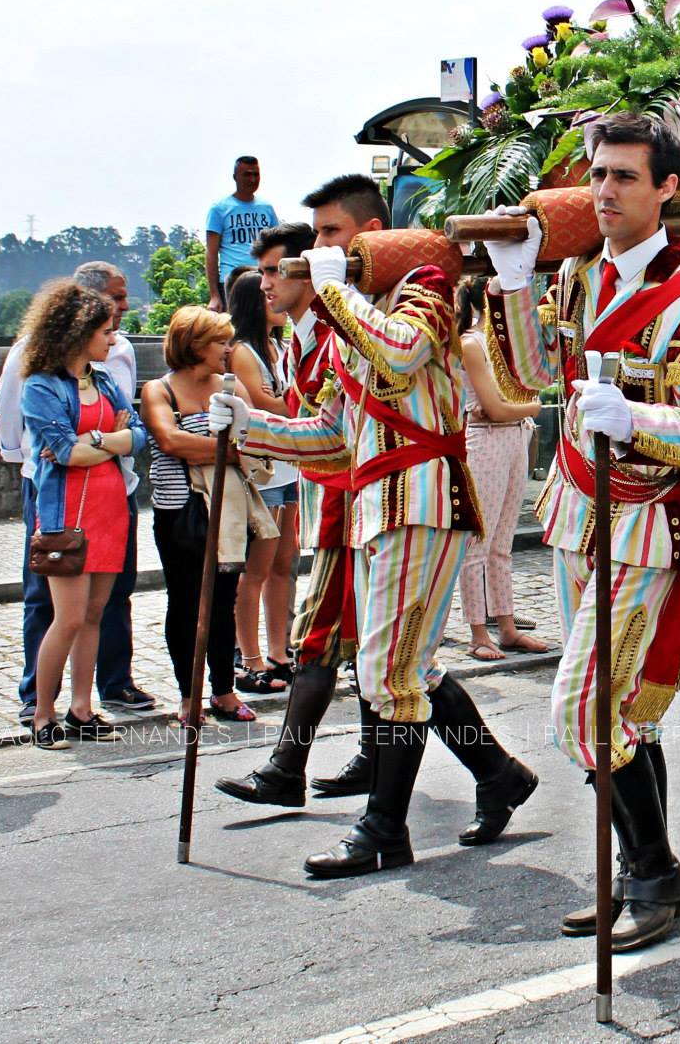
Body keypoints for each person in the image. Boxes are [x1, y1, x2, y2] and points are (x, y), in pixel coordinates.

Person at [211, 173, 538, 878]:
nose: (316, 249)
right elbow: (334, 438)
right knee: (408, 667)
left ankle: (384, 829)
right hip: (379, 504)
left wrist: (336, 291)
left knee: (387, 672)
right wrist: (253, 427)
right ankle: (498, 774)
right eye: (319, 235)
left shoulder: (423, 282)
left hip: (424, 497)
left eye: (330, 233)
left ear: (366, 232)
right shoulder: (348, 312)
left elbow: (399, 353)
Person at [484, 112, 680, 950]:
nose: (604, 191)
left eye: (626, 176)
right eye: (598, 175)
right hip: (574, 512)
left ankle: (656, 873)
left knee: (586, 714)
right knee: (623, 714)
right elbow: (530, 378)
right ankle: (641, 875)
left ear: (668, 188)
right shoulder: (576, 280)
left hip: (641, 524)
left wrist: (633, 413)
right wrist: (517, 286)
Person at [216, 220, 371, 806]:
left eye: (278, 269)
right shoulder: (301, 339)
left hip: (366, 500)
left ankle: (292, 769)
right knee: (347, 644)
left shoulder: (336, 336)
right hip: (339, 498)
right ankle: (360, 757)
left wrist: (252, 426)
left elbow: (330, 435)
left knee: (346, 644)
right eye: (263, 271)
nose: (265, 283)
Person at [0, 261, 154, 721]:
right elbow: (63, 452)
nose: (113, 337)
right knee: (64, 616)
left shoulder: (103, 379)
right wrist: (109, 440)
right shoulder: (42, 384)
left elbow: (138, 434)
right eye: (104, 330)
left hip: (109, 506)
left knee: (95, 613)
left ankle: (82, 708)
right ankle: (43, 709)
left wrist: (95, 442)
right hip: (67, 510)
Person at [139, 307, 256, 728]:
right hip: (179, 513)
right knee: (185, 602)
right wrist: (224, 447)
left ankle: (224, 689)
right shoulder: (159, 389)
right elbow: (169, 440)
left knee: (224, 602)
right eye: (219, 341)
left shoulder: (231, 386)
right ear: (194, 345)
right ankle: (189, 696)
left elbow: (256, 436)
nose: (228, 349)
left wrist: (210, 444)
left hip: (227, 512)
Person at [455, 280, 549, 661]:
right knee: (478, 542)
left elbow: (528, 389)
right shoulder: (471, 343)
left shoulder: (508, 344)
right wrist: (530, 407)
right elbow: (498, 406)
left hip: (512, 437)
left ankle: (506, 627)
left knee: (502, 543)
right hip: (487, 440)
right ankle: (478, 632)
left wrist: (519, 407)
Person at [226, 267, 299, 692]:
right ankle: (250, 658)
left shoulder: (275, 346)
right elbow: (265, 405)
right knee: (255, 570)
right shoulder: (242, 352)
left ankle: (279, 651)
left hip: (290, 466)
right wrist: (306, 398)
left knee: (283, 565)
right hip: (264, 471)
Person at [206, 155, 278, 310]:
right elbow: (211, 253)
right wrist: (214, 295)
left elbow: (276, 246)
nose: (252, 179)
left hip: (262, 280)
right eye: (247, 174)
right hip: (232, 282)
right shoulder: (219, 209)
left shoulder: (267, 208)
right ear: (235, 177)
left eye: (255, 174)